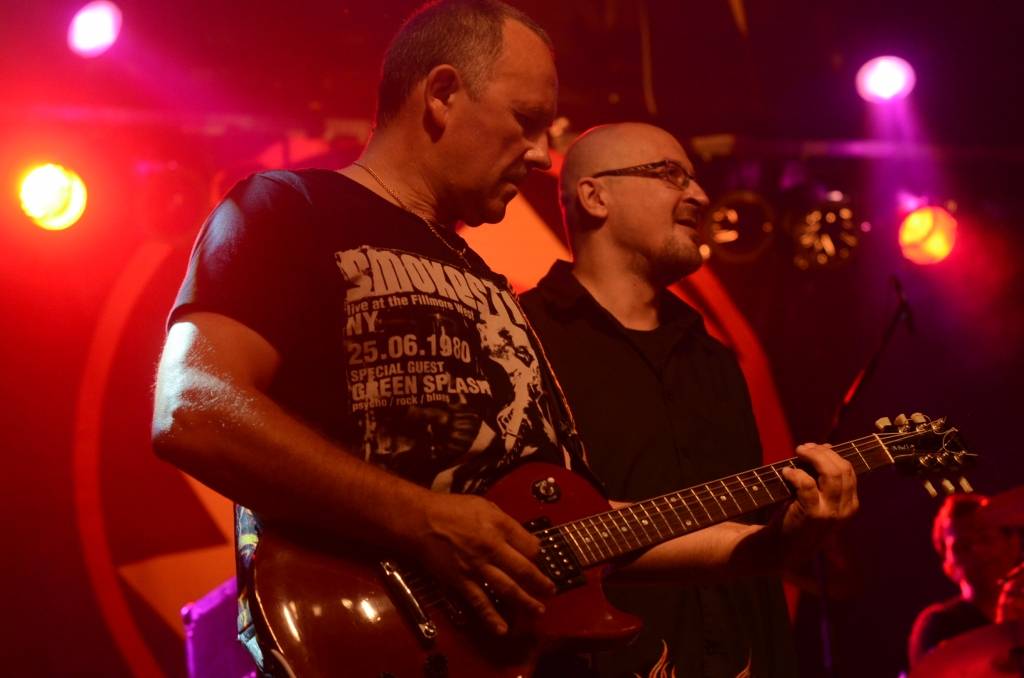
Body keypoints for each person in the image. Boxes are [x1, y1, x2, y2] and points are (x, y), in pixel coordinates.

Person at [151, 3, 857, 675]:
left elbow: (565, 532)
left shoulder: (491, 287)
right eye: (526, 121)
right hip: (364, 641)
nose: (544, 157)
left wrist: (767, 547)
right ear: (442, 95)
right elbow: (192, 408)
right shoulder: (290, 209)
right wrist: (423, 519)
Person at [520, 121, 848, 677]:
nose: (698, 194)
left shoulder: (714, 359)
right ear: (595, 197)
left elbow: (751, 546)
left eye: (693, 178)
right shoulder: (522, 340)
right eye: (670, 174)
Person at [907, 493, 1022, 668]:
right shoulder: (939, 625)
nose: (977, 551)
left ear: (1012, 543)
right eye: (963, 546)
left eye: (985, 538)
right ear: (947, 563)